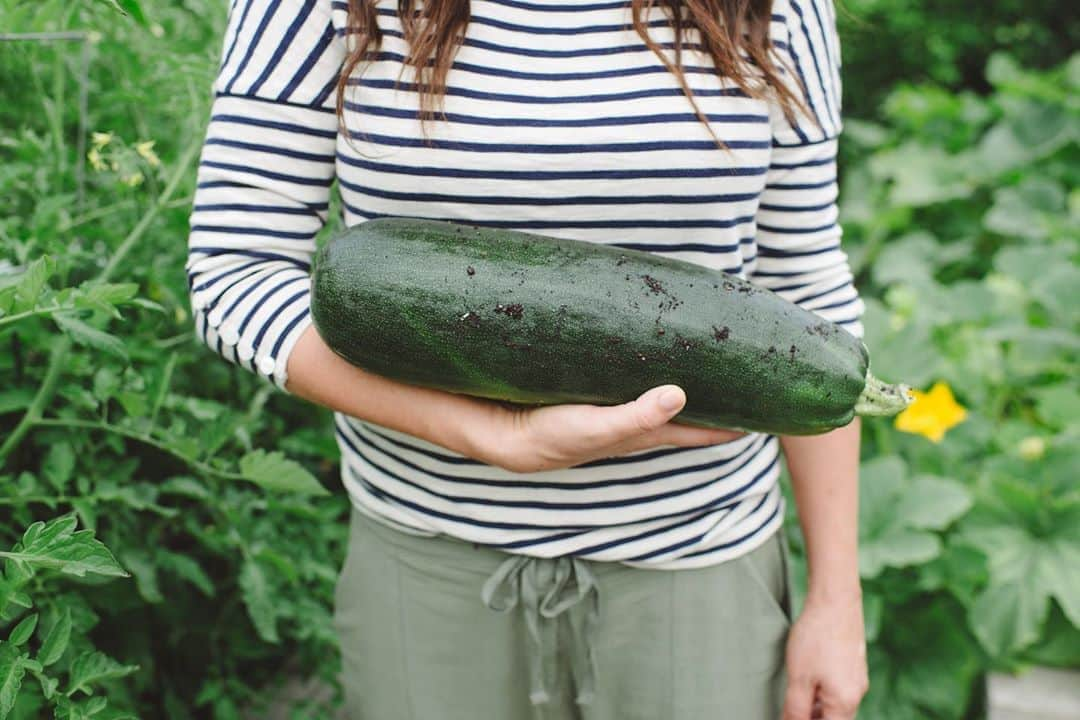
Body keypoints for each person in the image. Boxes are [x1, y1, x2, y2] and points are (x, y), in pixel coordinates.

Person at [186, 0, 869, 717]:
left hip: (699, 573)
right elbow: (236, 272)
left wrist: (835, 597)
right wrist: (487, 435)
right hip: (429, 564)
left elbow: (803, 291)